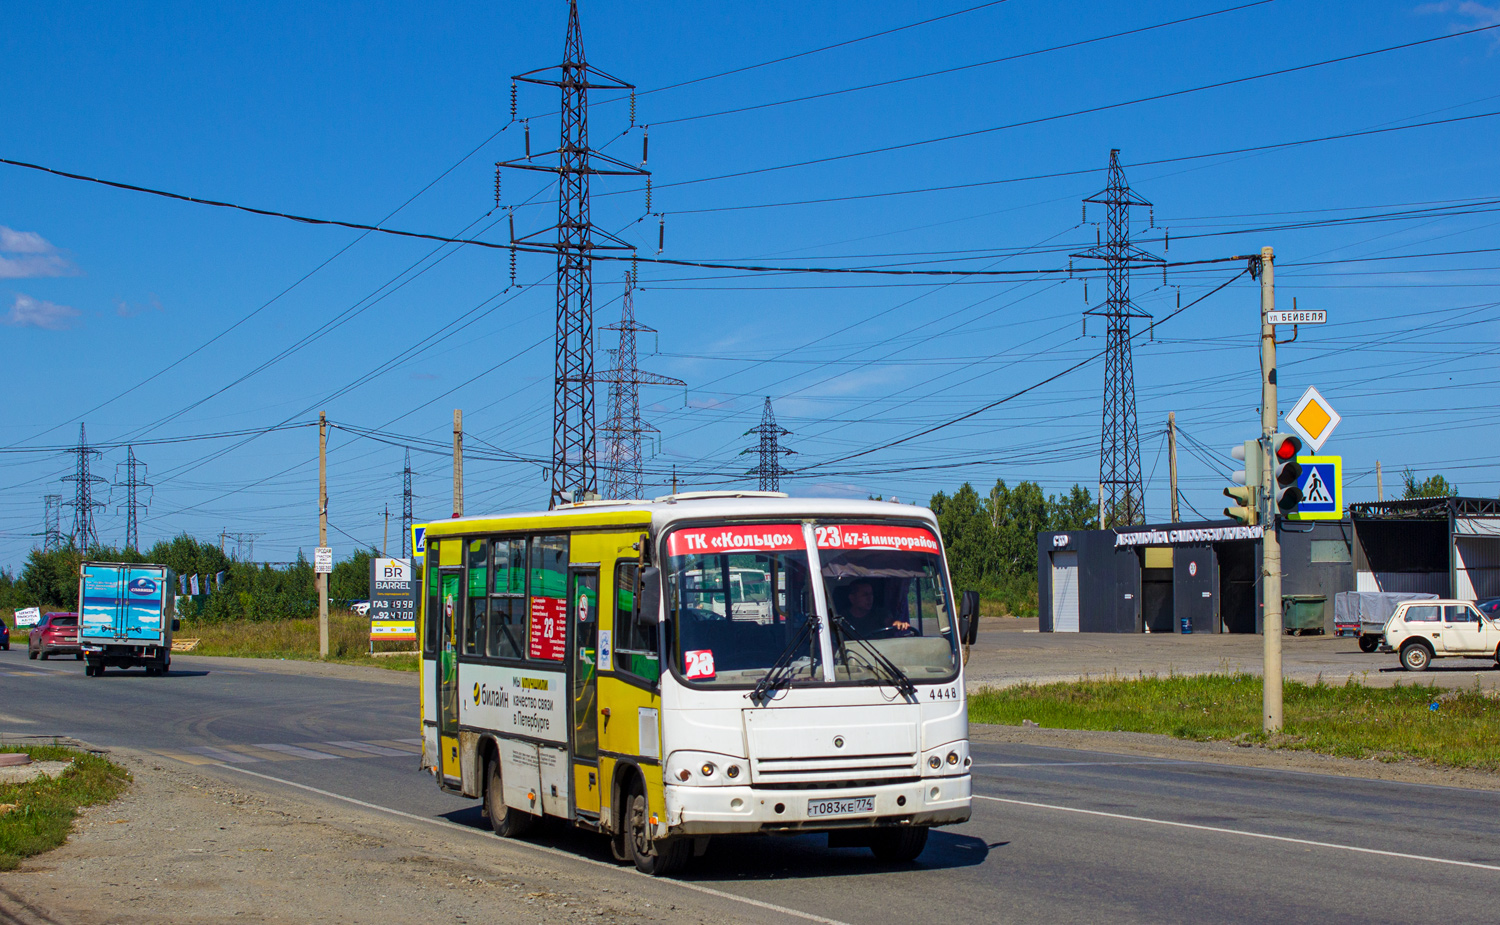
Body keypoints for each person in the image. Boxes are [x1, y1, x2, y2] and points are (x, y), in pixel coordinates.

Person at [842, 580, 911, 635]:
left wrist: (897, 624)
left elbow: (889, 621)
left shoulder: (880, 613)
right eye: (865, 595)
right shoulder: (842, 619)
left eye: (871, 594)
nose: (870, 598)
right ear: (852, 598)